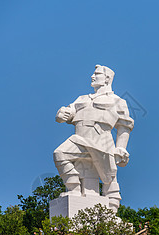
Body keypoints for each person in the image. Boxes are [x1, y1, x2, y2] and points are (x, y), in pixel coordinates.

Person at [53, 65, 134, 212]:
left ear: (107, 78)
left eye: (96, 74)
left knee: (109, 177)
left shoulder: (118, 101)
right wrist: (61, 113)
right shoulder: (82, 98)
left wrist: (121, 147)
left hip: (101, 141)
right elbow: (68, 111)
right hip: (79, 138)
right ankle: (74, 188)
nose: (92, 76)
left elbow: (124, 126)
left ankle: (112, 210)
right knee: (60, 154)